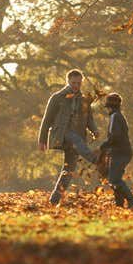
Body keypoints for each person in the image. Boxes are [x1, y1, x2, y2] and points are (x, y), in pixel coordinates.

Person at [38, 69, 99, 205]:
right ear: (68, 82)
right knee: (75, 139)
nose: (76, 85)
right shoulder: (57, 97)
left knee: (68, 170)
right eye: (73, 83)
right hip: (63, 134)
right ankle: (97, 160)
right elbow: (46, 120)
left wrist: (94, 130)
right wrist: (42, 140)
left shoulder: (84, 100)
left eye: (78, 83)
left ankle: (54, 200)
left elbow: (89, 119)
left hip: (78, 136)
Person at [100, 93, 133, 208]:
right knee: (115, 178)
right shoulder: (118, 116)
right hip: (121, 152)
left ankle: (132, 201)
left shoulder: (115, 117)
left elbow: (115, 136)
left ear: (109, 107)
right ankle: (119, 204)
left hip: (120, 152)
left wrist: (104, 145)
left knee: (114, 179)